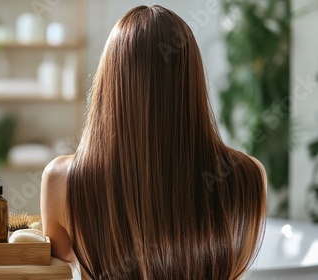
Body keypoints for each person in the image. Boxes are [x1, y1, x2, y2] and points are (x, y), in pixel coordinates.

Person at [40, 5, 267, 280]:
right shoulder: (249, 177)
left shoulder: (62, 179)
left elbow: (63, 259)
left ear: (110, 80)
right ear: (191, 78)